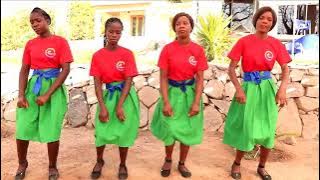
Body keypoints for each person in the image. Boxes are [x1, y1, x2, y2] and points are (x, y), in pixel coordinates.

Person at [223, 6, 291, 180]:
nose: (265, 21)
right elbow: (231, 68)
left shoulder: (276, 44)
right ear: (256, 20)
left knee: (268, 128)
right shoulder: (244, 41)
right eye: (262, 18)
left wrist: (282, 89)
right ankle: (237, 164)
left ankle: (262, 167)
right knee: (246, 127)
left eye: (269, 19)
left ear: (272, 23)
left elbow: (285, 69)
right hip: (248, 88)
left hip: (267, 89)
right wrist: (239, 89)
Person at [15, 7, 73, 180]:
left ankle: (52, 167)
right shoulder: (30, 44)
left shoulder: (60, 42)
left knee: (51, 128)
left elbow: (65, 69)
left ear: (47, 21)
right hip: (34, 87)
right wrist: (21, 95)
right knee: (23, 127)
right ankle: (22, 163)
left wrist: (47, 94)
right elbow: (24, 70)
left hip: (53, 89)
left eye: (37, 20)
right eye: (31, 22)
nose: (34, 24)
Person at [150, 12, 208, 178]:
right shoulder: (167, 49)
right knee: (170, 128)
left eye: (185, 23)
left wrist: (196, 102)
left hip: (189, 94)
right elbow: (162, 77)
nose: (181, 26)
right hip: (172, 94)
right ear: (174, 28)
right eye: (178, 24)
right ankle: (168, 158)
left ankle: (182, 163)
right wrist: (166, 102)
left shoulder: (197, 50)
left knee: (187, 130)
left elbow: (200, 78)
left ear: (191, 27)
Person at [89, 17, 140, 180]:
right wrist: (102, 107)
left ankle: (123, 164)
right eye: (111, 31)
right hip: (107, 95)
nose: (114, 35)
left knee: (124, 132)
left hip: (125, 97)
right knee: (101, 131)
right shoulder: (97, 55)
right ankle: (99, 161)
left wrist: (120, 106)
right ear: (105, 32)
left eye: (118, 32)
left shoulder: (127, 54)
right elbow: (97, 83)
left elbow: (128, 80)